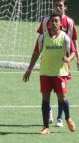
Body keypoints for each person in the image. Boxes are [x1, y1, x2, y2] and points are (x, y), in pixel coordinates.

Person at [23, 14, 76, 135]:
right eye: (52, 21)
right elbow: (36, 52)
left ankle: (68, 118)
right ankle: (46, 127)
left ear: (60, 24)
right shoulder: (43, 36)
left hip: (60, 73)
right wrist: (30, 69)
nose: (54, 23)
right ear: (48, 24)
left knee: (62, 98)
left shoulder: (65, 37)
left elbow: (72, 52)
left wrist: (69, 59)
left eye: (56, 21)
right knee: (45, 99)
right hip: (45, 73)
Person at [37, 0, 79, 128]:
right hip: (48, 62)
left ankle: (60, 118)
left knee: (62, 94)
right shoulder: (46, 20)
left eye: (60, 5)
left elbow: (73, 41)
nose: (58, 7)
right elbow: (41, 37)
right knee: (47, 92)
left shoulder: (70, 22)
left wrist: (77, 58)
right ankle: (48, 112)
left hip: (63, 63)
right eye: (55, 5)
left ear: (65, 7)